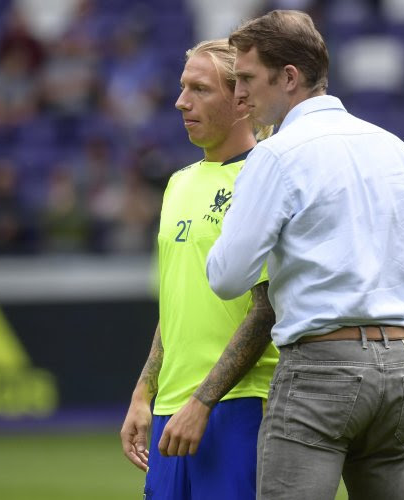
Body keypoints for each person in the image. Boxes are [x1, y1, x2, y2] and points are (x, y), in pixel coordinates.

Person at [163, 10, 404, 499]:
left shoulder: (274, 155)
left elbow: (226, 277)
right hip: (399, 370)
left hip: (319, 368)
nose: (240, 93)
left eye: (249, 79)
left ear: (290, 78)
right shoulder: (395, 149)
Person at [118, 39, 277, 499]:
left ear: (241, 99)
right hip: (172, 408)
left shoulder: (264, 178)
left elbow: (265, 311)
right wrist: (143, 394)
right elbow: (174, 307)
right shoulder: (177, 184)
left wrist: (203, 401)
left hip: (239, 407)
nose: (180, 101)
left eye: (200, 89)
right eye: (183, 87)